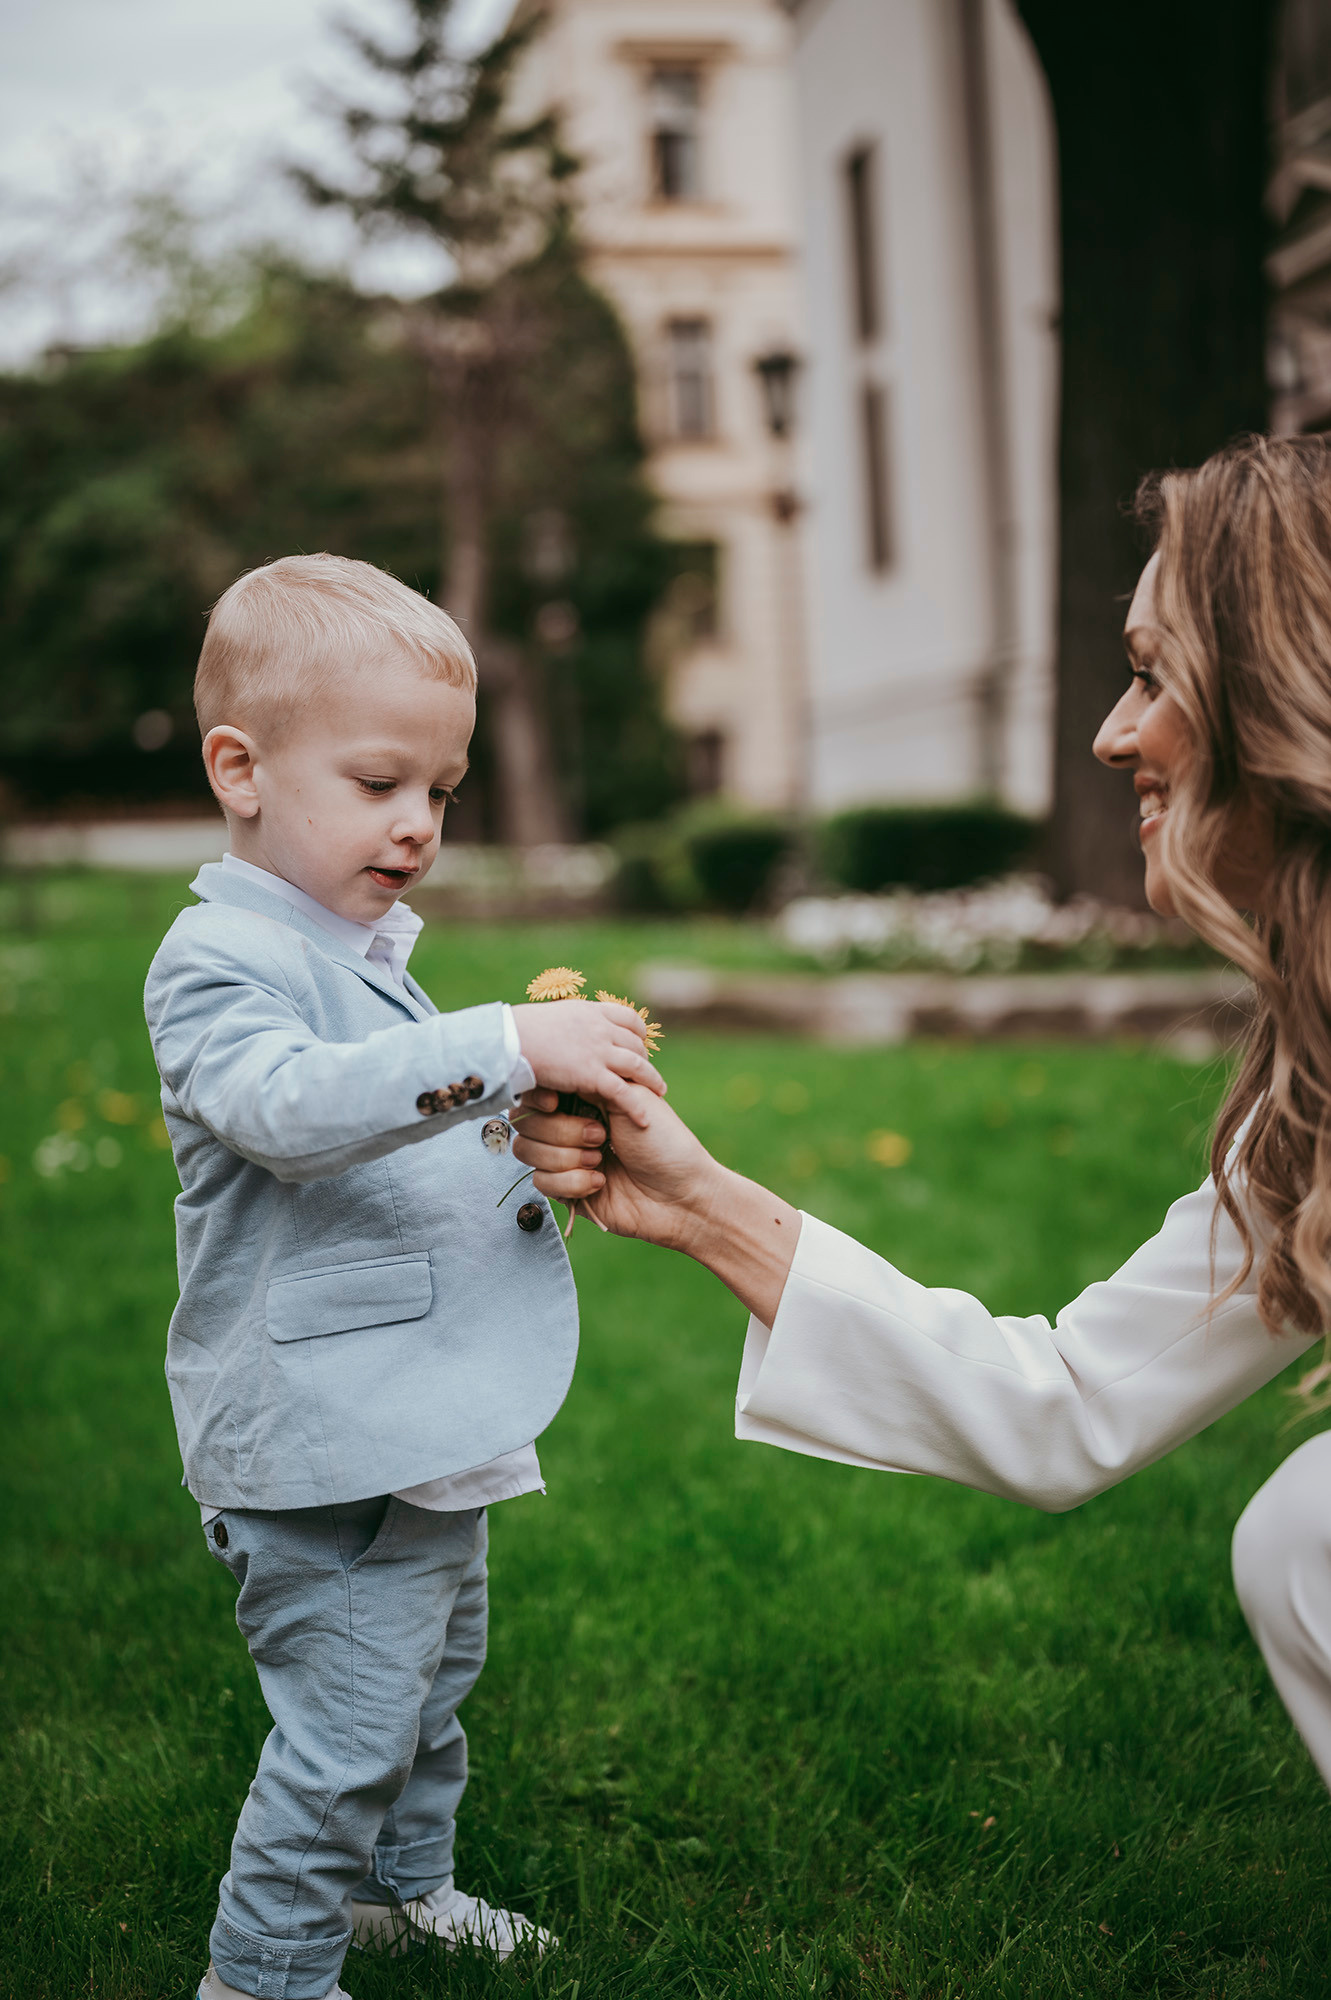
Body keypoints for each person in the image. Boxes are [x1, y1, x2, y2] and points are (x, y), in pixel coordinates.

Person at [515, 433, 1331, 1795]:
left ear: (1281, 689)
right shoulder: (1307, 1091)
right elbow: (1067, 1405)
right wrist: (700, 1202)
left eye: (1151, 676)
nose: (1110, 733)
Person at [144, 554, 665, 2000]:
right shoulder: (219, 957)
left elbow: (388, 1129)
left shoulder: (364, 950)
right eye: (380, 784)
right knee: (347, 1725)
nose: (419, 826)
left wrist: (515, 1132)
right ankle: (262, 1974)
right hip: (320, 1438)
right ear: (238, 769)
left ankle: (400, 1890)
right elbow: (291, 1111)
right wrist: (502, 1044)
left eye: (440, 790)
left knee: (431, 1688)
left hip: (420, 1420)